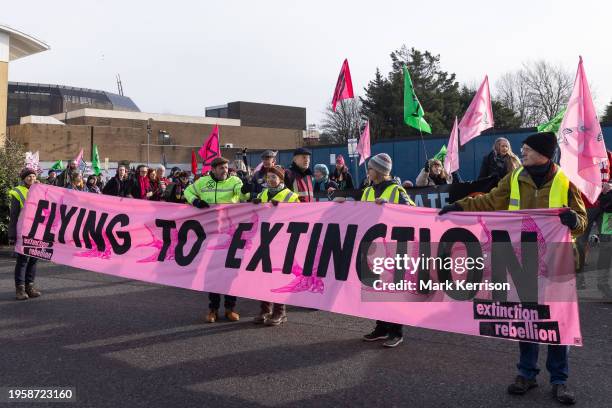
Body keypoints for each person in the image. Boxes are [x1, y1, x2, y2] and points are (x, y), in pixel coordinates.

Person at [439, 132, 586, 405]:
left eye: (527, 148)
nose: (523, 152)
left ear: (544, 153)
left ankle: (559, 380)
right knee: (527, 320)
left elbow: (582, 222)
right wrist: (459, 206)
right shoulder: (515, 177)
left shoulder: (566, 181)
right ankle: (526, 374)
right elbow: (490, 200)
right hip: (524, 261)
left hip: (558, 262)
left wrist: (573, 219)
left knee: (557, 323)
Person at [337, 153, 415, 348]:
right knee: (375, 289)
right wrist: (342, 204)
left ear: (380, 171)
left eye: (370, 168)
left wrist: (389, 207)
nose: (368, 171)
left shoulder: (396, 190)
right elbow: (359, 211)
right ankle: (381, 328)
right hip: (372, 248)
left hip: (393, 247)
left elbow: (412, 211)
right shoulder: (368, 191)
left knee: (391, 291)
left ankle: (396, 332)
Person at [184, 156, 250, 323]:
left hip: (231, 234)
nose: (225, 170)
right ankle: (213, 310)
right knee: (212, 273)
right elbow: (188, 191)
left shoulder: (235, 180)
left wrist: (247, 188)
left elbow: (242, 195)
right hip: (210, 235)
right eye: (221, 168)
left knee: (230, 272)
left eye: (226, 168)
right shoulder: (203, 182)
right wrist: (195, 201)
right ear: (213, 169)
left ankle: (230, 309)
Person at [252, 165, 299, 326]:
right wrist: (254, 204)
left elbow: (300, 216)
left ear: (281, 179)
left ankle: (280, 312)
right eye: (268, 177)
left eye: (274, 177)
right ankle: (265, 309)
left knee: (279, 277)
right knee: (262, 276)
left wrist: (283, 208)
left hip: (282, 242)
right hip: (264, 241)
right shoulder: (263, 193)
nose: (270, 180)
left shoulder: (291, 196)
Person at [9, 168, 42, 300]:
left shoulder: (40, 190)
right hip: (23, 231)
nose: (31, 178)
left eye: (33, 176)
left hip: (37, 230)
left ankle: (30, 286)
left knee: (34, 259)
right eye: (29, 176)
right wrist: (12, 234)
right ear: (23, 178)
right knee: (22, 260)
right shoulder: (17, 192)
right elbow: (14, 215)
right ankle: (20, 289)